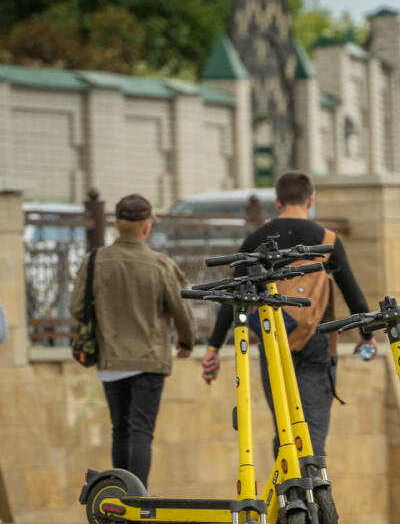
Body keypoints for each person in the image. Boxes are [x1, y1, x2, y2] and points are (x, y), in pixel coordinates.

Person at [199, 171, 375, 457]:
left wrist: (213, 347)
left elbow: (233, 296)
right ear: (310, 201)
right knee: (312, 427)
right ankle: (314, 487)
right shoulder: (327, 240)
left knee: (284, 426)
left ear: (278, 203)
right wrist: (366, 336)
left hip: (274, 338)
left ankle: (287, 495)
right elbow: (353, 294)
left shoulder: (258, 239)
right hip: (318, 340)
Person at [70, 194, 196, 488]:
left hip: (111, 359)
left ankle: (120, 495)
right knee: (141, 431)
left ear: (116, 224)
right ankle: (138, 499)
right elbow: (182, 311)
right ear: (146, 226)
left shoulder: (94, 262)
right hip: (149, 360)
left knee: (120, 430)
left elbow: (77, 308)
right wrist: (187, 343)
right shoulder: (160, 264)